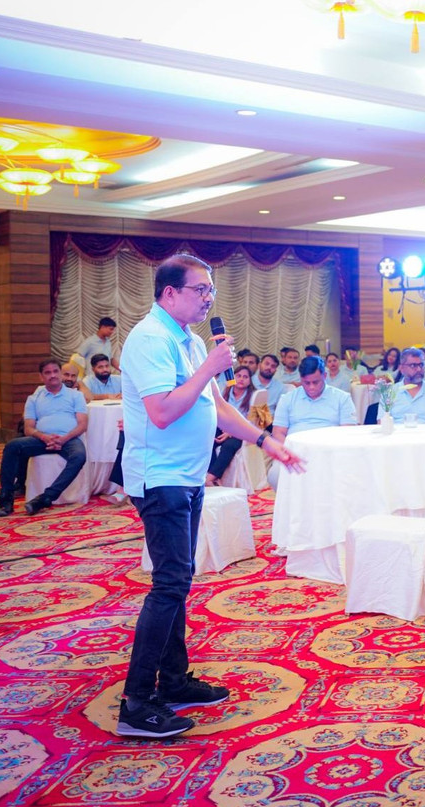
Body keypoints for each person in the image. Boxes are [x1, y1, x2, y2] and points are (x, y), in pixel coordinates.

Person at [117, 254, 303, 739]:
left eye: (211, 290)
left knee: (178, 581)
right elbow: (161, 413)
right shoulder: (149, 339)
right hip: (159, 478)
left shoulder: (191, 340)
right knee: (170, 584)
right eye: (200, 289)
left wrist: (265, 441)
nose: (209, 298)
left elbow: (216, 407)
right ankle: (136, 703)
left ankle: (174, 681)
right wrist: (209, 368)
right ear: (169, 293)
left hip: (189, 476)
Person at [0, 360, 88, 517]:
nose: (53, 375)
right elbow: (28, 428)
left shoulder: (76, 396)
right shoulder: (34, 398)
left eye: (55, 371)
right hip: (41, 440)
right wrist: (44, 437)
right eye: (47, 372)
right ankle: (6, 499)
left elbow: (82, 425)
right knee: (12, 446)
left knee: (79, 456)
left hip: (69, 439)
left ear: (60, 373)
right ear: (41, 377)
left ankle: (46, 498)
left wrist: (63, 439)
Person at [272, 356, 358, 442]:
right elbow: (278, 433)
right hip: (294, 448)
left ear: (324, 376)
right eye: (306, 383)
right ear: (300, 378)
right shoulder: (287, 399)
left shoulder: (342, 398)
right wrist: (289, 449)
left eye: (316, 382)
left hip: (330, 446)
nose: (311, 387)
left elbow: (348, 432)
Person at [205, 364, 264, 486]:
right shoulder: (224, 392)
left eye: (245, 377)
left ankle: (211, 477)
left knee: (229, 445)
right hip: (223, 427)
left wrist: (231, 432)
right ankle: (209, 473)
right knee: (208, 438)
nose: (241, 379)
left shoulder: (253, 396)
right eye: (238, 376)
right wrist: (225, 429)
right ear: (233, 377)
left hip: (242, 432)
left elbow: (252, 421)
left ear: (250, 380)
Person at [389, 348, 425, 425]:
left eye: (421, 365)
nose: (418, 369)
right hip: (397, 431)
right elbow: (382, 423)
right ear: (401, 368)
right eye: (413, 365)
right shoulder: (389, 393)